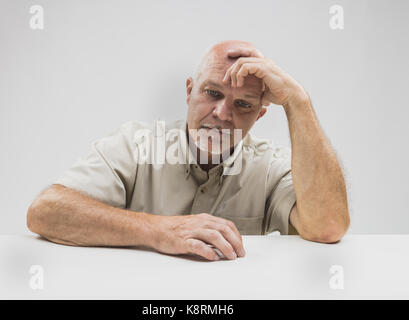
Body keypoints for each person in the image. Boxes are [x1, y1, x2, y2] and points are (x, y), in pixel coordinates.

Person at [27, 40, 350, 261]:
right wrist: (158, 230)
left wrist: (298, 101)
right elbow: (46, 212)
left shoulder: (270, 166)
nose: (223, 114)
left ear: (259, 115)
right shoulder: (136, 144)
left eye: (242, 104)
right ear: (189, 91)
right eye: (212, 92)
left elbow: (328, 226)